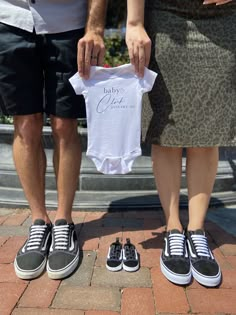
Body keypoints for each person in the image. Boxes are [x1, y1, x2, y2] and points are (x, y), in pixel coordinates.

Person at [126, 0, 236, 287]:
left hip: (224, 18)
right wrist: (134, 22)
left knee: (207, 127)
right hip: (166, 14)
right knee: (168, 129)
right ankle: (174, 228)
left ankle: (196, 230)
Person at [0, 0, 107, 280]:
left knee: (64, 124)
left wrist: (95, 27)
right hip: (11, 17)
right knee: (25, 125)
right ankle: (38, 220)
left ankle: (63, 221)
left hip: (68, 22)